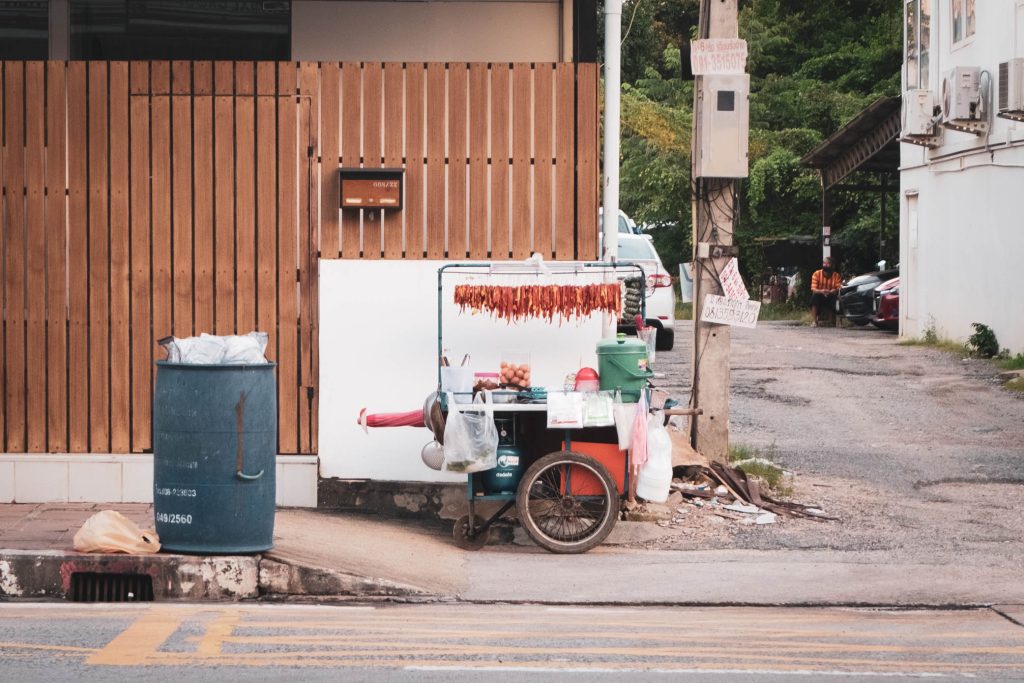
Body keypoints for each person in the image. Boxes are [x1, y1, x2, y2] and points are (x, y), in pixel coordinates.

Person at [810, 257, 842, 327]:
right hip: (820, 294)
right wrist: (822, 291)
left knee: (837, 299)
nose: (825, 265)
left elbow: (839, 288)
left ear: (832, 266)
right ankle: (814, 321)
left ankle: (835, 321)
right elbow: (813, 289)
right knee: (814, 297)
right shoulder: (817, 274)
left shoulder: (836, 275)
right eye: (824, 263)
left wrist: (834, 290)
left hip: (831, 295)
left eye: (827, 264)